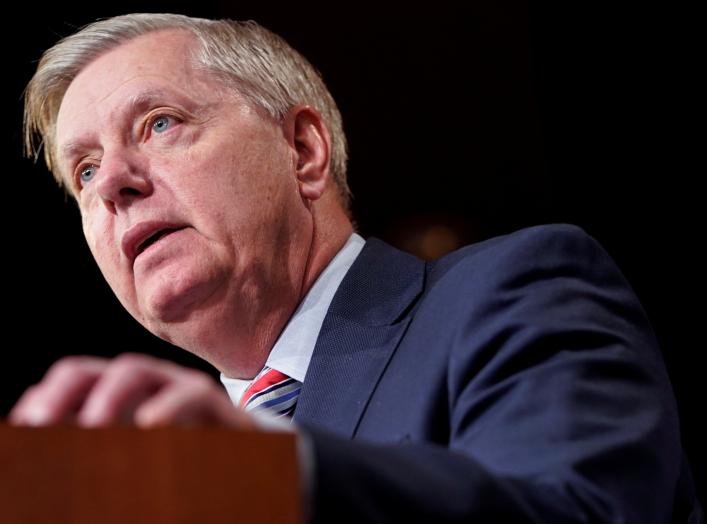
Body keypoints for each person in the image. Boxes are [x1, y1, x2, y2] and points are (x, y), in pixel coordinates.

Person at [10, 13, 702, 524]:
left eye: (159, 123)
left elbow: (581, 514)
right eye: (85, 170)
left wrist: (262, 471)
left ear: (303, 149)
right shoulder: (155, 477)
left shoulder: (517, 288)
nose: (112, 186)